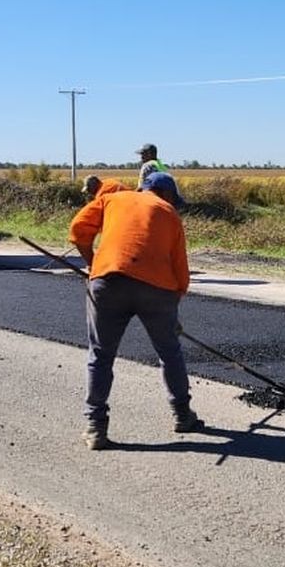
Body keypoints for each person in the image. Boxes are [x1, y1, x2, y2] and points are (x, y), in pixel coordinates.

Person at [68, 169, 200, 450]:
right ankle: (182, 415)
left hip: (109, 282)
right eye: (172, 198)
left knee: (100, 356)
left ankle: (95, 428)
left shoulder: (114, 199)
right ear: (165, 194)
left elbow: (78, 230)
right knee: (169, 352)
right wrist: (172, 309)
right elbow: (180, 269)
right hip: (157, 291)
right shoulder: (170, 213)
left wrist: (93, 264)